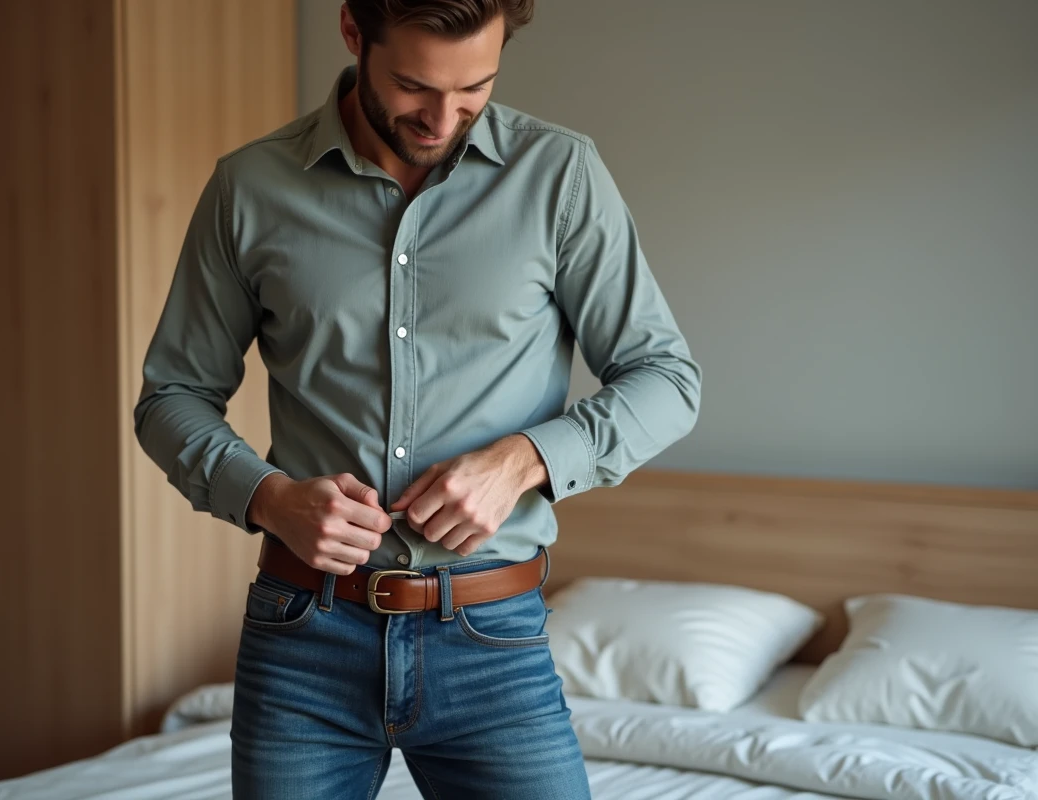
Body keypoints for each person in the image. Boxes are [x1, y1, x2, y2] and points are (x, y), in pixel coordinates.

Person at [134, 1, 701, 797]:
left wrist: (523, 461)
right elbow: (172, 397)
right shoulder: (250, 187)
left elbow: (666, 379)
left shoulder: (561, 177)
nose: (443, 117)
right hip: (303, 636)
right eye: (413, 86)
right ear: (353, 35)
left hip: (490, 638)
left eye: (476, 86)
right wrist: (269, 498)